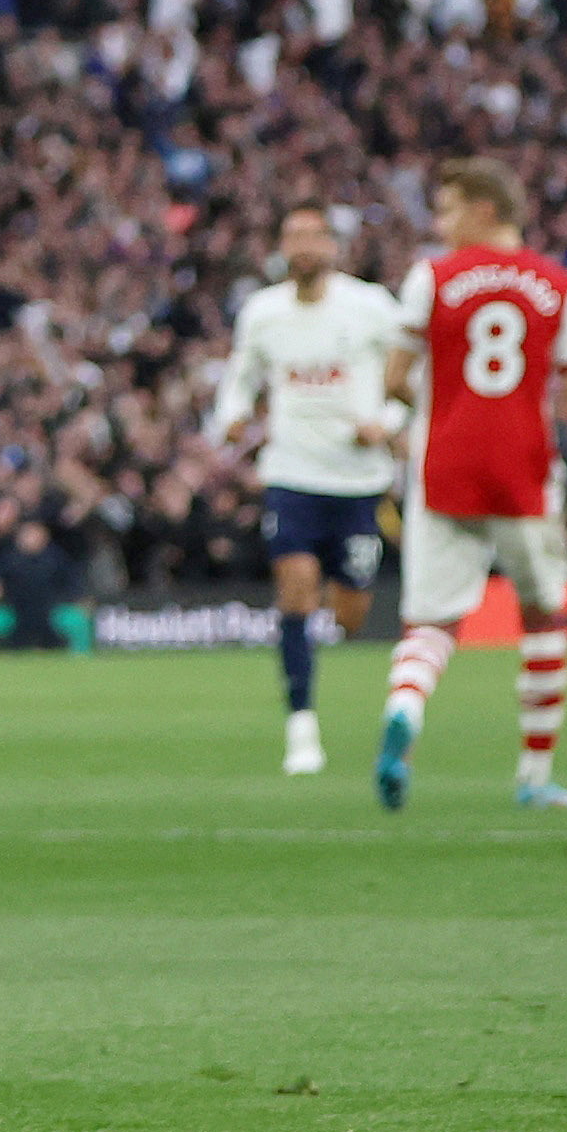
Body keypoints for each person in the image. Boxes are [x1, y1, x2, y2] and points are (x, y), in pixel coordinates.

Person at [375, 157, 567, 813]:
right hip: (522, 470)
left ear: (485, 210)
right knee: (540, 616)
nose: (438, 223)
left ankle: (405, 707)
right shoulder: (560, 286)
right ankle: (533, 779)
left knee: (430, 621)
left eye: (448, 209)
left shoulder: (431, 277)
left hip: (442, 467)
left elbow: (393, 376)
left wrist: (442, 409)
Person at [213, 197, 405, 774]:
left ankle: (332, 623)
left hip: (358, 480)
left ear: (331, 246)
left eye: (311, 236)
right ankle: (301, 725)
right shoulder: (263, 312)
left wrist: (388, 424)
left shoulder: (371, 307)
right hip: (292, 473)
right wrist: (234, 413)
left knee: (350, 614)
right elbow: (241, 374)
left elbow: (412, 371)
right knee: (294, 589)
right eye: (290, 235)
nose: (301, 247)